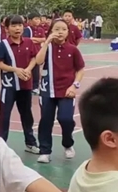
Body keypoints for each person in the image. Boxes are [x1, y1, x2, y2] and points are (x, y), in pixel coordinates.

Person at [32, 19, 85, 163]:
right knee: (46, 120)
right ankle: (45, 151)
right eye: (56, 29)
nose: (60, 32)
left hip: (67, 91)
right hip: (47, 90)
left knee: (65, 119)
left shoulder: (73, 49)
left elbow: (80, 70)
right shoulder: (47, 48)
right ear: (51, 31)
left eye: (63, 29)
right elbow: (38, 61)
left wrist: (74, 86)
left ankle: (68, 144)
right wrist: (46, 42)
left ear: (68, 32)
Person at [0, 15, 40, 151]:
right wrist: (15, 70)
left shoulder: (29, 42)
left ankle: (30, 143)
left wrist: (28, 70)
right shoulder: (3, 44)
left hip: (25, 85)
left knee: (27, 115)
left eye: (19, 25)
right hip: (9, 86)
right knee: (4, 115)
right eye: (13, 26)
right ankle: (0, 144)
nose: (17, 28)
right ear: (7, 29)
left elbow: (34, 58)